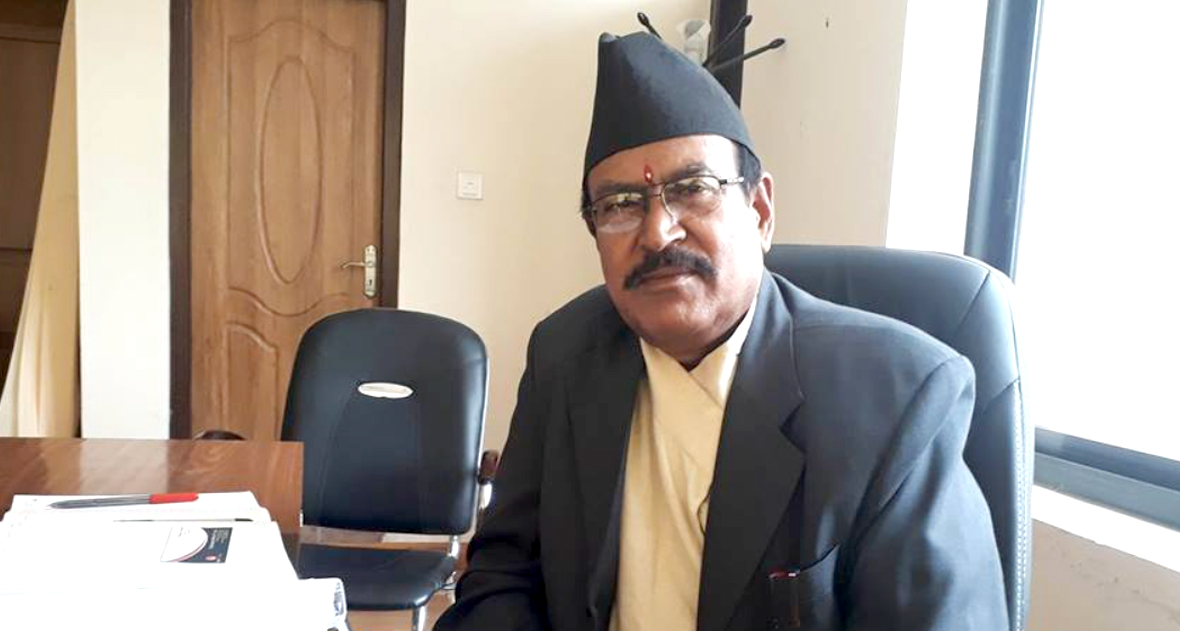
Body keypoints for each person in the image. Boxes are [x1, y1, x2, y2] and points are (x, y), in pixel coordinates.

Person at [435, 32, 1006, 631]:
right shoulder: (563, 354)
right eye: (621, 204)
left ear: (760, 212)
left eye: (692, 189)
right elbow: (501, 575)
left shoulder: (895, 397)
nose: (658, 233)